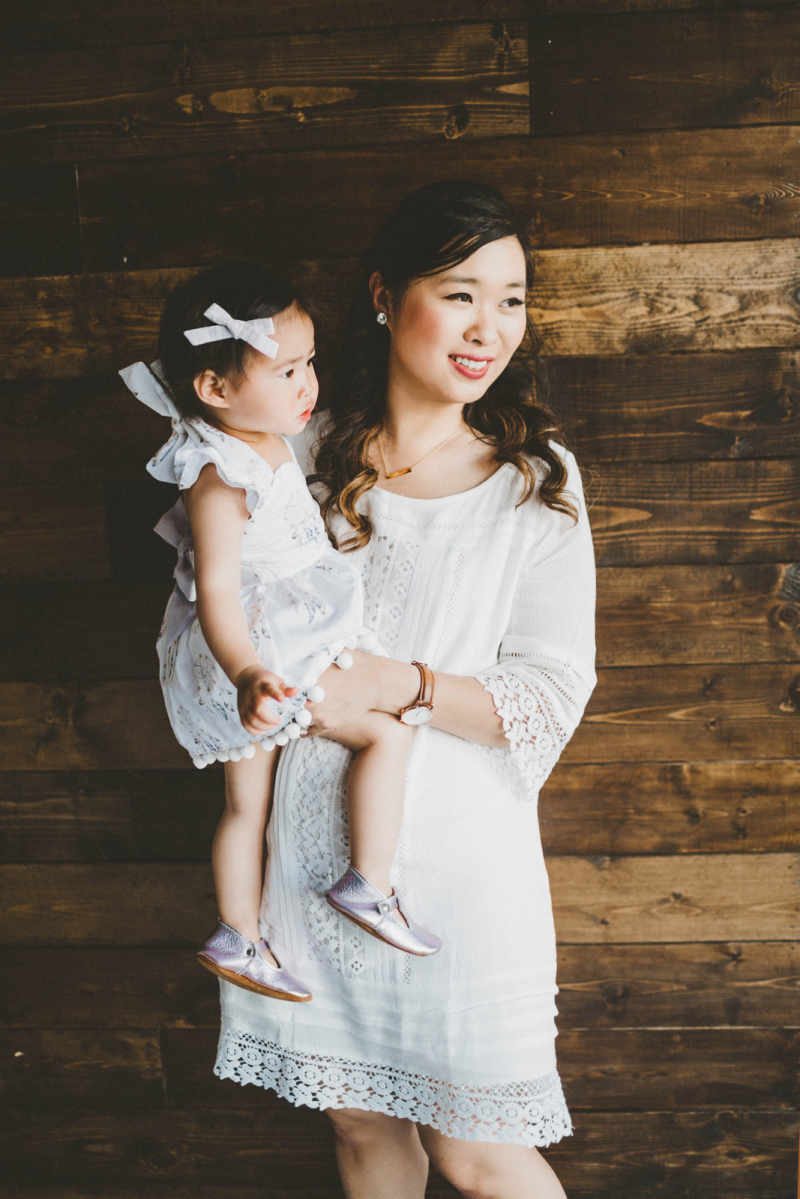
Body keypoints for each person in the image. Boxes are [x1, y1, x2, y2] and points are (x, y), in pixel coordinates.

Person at [211, 184, 598, 1198]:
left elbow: (552, 689)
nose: (487, 328)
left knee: (475, 1149)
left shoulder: (532, 479)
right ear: (385, 295)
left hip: (455, 854)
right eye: (461, 293)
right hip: (305, 846)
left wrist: (403, 684)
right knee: (357, 1125)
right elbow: (212, 609)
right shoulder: (292, 451)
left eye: (509, 300)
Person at [119, 264, 441, 1006]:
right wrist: (247, 675)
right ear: (216, 389)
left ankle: (241, 932)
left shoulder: (260, 441)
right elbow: (218, 591)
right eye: (288, 369)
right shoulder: (218, 475)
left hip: (274, 641)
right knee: (380, 738)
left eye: (310, 363)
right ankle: (365, 883)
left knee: (248, 802)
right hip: (261, 651)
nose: (308, 384)